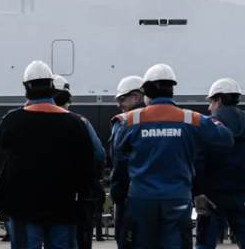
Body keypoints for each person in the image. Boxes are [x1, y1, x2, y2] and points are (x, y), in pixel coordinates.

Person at [112, 63, 234, 249]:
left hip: (141, 200)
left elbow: (120, 161)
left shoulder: (130, 121)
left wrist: (118, 196)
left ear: (146, 92)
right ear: (172, 89)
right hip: (177, 198)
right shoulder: (190, 119)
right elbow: (225, 139)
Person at [0, 62, 101, 249]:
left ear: (26, 89)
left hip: (24, 208)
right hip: (63, 207)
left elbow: (0, 142)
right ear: (52, 87)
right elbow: (88, 164)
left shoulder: (12, 121)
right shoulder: (75, 123)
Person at [192, 78, 245, 249]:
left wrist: (197, 192)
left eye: (211, 102)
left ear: (218, 100)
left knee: (204, 245)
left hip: (212, 197)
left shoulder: (207, 125)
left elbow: (197, 160)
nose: (209, 108)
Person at [49, 74, 107, 249]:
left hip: (44, 197)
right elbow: (99, 156)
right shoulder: (81, 122)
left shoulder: (30, 120)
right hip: (77, 196)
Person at [108, 75, 144, 249]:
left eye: (122, 99)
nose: (118, 104)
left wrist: (117, 194)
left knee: (126, 241)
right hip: (155, 195)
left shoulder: (122, 123)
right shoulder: (166, 120)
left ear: (136, 97)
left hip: (128, 196)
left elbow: (119, 161)